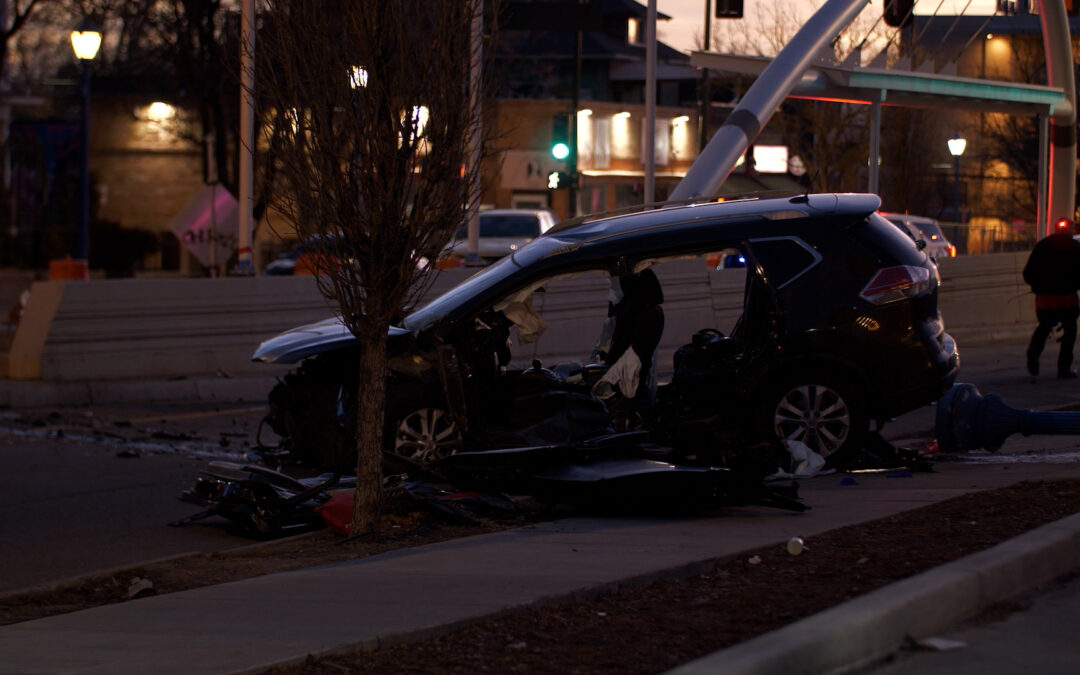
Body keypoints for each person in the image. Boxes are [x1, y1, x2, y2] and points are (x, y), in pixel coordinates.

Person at [592, 269, 665, 429]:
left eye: (614, 285)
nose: (612, 292)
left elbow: (630, 369)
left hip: (625, 400)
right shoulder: (625, 313)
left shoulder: (647, 316)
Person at [1023, 220, 1080, 378]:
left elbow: (1028, 273)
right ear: (1070, 230)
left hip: (1044, 300)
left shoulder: (1042, 246)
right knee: (1070, 331)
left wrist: (1037, 287)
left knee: (1044, 326)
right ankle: (1063, 369)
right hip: (1067, 299)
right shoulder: (1075, 247)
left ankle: (1033, 353)